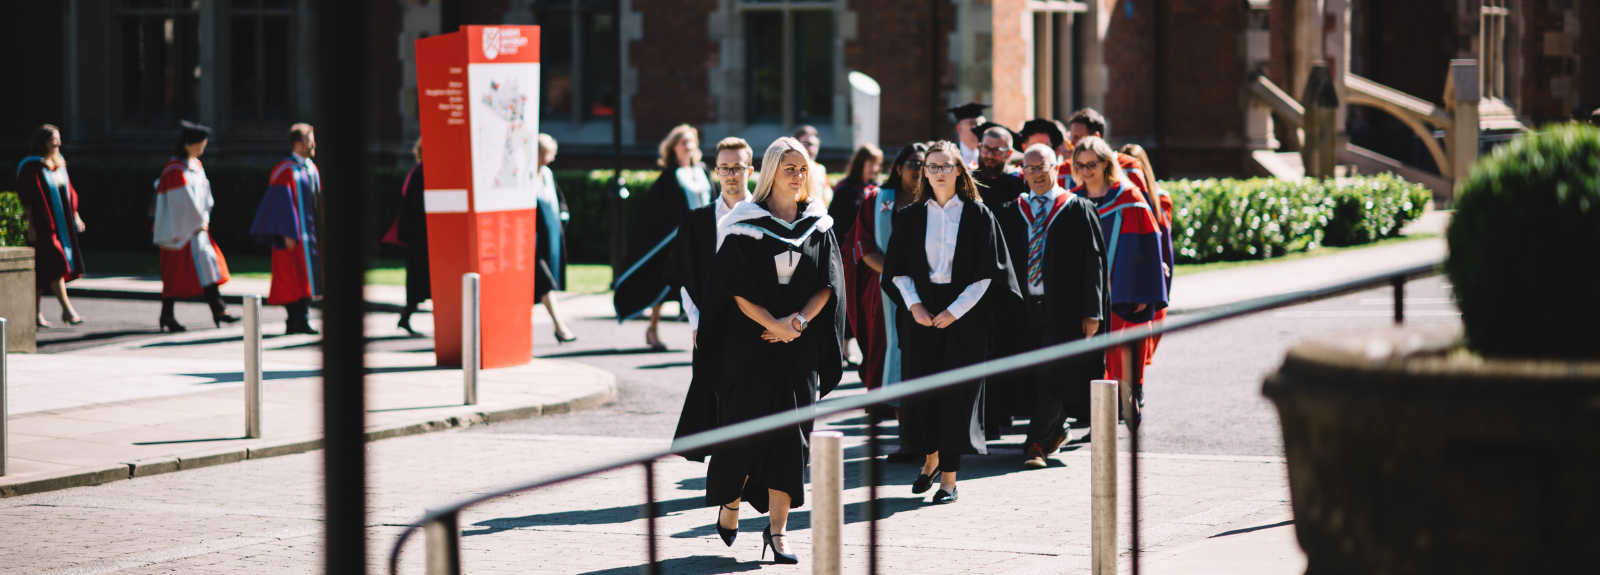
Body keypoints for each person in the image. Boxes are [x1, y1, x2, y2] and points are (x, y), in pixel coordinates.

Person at [675, 137, 845, 564]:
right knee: (745, 434)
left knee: (793, 440)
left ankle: (778, 533)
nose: (797, 175)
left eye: (802, 168)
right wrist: (772, 324)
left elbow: (828, 284)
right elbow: (731, 289)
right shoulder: (745, 224)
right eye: (789, 168)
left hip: (797, 350)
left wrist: (797, 324)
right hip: (751, 349)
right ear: (770, 172)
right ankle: (730, 501)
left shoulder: (817, 224)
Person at [883, 140, 1020, 503]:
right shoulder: (910, 216)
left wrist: (954, 311)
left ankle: (948, 480)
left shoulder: (978, 214)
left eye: (946, 165)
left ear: (960, 170)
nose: (939, 172)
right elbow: (896, 270)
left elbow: (990, 271)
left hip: (966, 313)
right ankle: (929, 460)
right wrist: (915, 306)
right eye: (932, 166)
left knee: (957, 397)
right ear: (924, 172)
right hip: (921, 312)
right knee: (924, 391)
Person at [995, 144, 1108, 468]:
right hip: (1023, 308)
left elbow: (1094, 263)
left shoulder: (1076, 207)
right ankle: (1056, 429)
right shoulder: (1012, 210)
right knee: (1032, 374)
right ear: (1023, 173)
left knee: (1051, 372)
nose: (1037, 174)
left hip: (1065, 309)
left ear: (1056, 167)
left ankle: (1036, 444)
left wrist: (1092, 311)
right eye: (1030, 168)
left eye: (1042, 166)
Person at [1070, 137, 1169, 431]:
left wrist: (1142, 289)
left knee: (1111, 351)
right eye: (1080, 165)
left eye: (1092, 164)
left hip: (1119, 288)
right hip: (1082, 291)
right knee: (1087, 355)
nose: (1086, 170)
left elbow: (1147, 245)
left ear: (1105, 164)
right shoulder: (1072, 200)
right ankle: (1105, 412)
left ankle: (1110, 416)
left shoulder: (1129, 199)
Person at [666, 137, 753, 447]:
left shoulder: (764, 216)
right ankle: (724, 476)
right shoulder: (699, 221)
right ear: (716, 171)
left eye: (738, 168)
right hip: (710, 324)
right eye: (725, 168)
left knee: (751, 402)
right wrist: (696, 322)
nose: (732, 175)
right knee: (714, 399)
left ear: (750, 170)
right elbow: (685, 276)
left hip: (755, 325)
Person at [613, 124, 711, 350]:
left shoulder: (703, 171)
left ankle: (706, 333)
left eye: (691, 142)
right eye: (683, 143)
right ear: (673, 148)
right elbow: (659, 213)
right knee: (666, 284)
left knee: (705, 286)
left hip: (703, 239)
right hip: (678, 242)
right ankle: (653, 328)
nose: (689, 147)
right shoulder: (670, 176)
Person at [850, 143, 926, 425]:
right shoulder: (877, 199)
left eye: (924, 163)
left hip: (930, 291)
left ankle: (917, 429)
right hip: (885, 291)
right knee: (887, 349)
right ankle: (903, 426)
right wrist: (899, 277)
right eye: (913, 163)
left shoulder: (939, 199)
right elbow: (864, 245)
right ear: (898, 167)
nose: (919, 169)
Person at [152, 121, 237, 332]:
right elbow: (182, 203)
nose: (202, 149)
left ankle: (218, 310)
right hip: (177, 231)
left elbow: (205, 197)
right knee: (174, 274)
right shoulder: (174, 170)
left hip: (197, 228)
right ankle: (168, 315)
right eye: (199, 145)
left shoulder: (196, 166)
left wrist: (204, 219)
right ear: (187, 144)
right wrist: (199, 222)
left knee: (208, 267)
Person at [249, 123, 323, 335]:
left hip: (311, 238)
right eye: (310, 142)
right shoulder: (285, 170)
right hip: (292, 236)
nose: (314, 145)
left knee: (307, 277)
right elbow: (280, 204)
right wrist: (286, 233)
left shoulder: (311, 169)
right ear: (298, 144)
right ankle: (297, 319)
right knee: (292, 278)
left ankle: (298, 320)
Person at [15, 124, 86, 328]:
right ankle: (67, 310)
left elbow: (70, 194)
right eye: (54, 139)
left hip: (60, 227)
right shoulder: (31, 166)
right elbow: (26, 198)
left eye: (59, 139)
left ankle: (35, 315)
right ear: (44, 141)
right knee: (57, 263)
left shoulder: (58, 164)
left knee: (40, 270)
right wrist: (30, 226)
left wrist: (76, 216)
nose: (58, 143)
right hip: (41, 226)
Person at [830, 144, 882, 353]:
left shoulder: (876, 189)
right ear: (860, 163)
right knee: (848, 296)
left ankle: (855, 346)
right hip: (849, 254)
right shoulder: (845, 191)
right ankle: (842, 348)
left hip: (869, 254)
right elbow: (837, 223)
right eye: (870, 164)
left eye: (877, 165)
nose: (874, 169)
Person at [384, 138, 429, 336]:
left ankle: (405, 316)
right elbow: (420, 205)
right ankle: (405, 316)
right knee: (420, 277)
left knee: (418, 277)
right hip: (420, 235)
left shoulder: (416, 172)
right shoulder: (421, 174)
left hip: (417, 235)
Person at [534, 133, 576, 343]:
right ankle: (560, 327)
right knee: (544, 282)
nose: (551, 158)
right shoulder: (525, 177)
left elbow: (559, 200)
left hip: (550, 237)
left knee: (542, 284)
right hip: (533, 241)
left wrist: (563, 215)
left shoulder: (548, 174)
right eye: (548, 153)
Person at [1064, 108, 1150, 194]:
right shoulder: (1065, 170)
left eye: (1077, 138)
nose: (1071, 144)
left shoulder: (1129, 166)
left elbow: (1141, 205)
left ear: (1095, 137)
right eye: (1071, 138)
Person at [972, 126, 1029, 208]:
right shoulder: (969, 180)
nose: (990, 155)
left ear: (1009, 153)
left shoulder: (1019, 182)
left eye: (997, 150)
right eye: (985, 148)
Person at [947, 102, 990, 169]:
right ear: (959, 128)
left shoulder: (989, 155)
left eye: (982, 124)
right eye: (973, 123)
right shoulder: (949, 156)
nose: (979, 128)